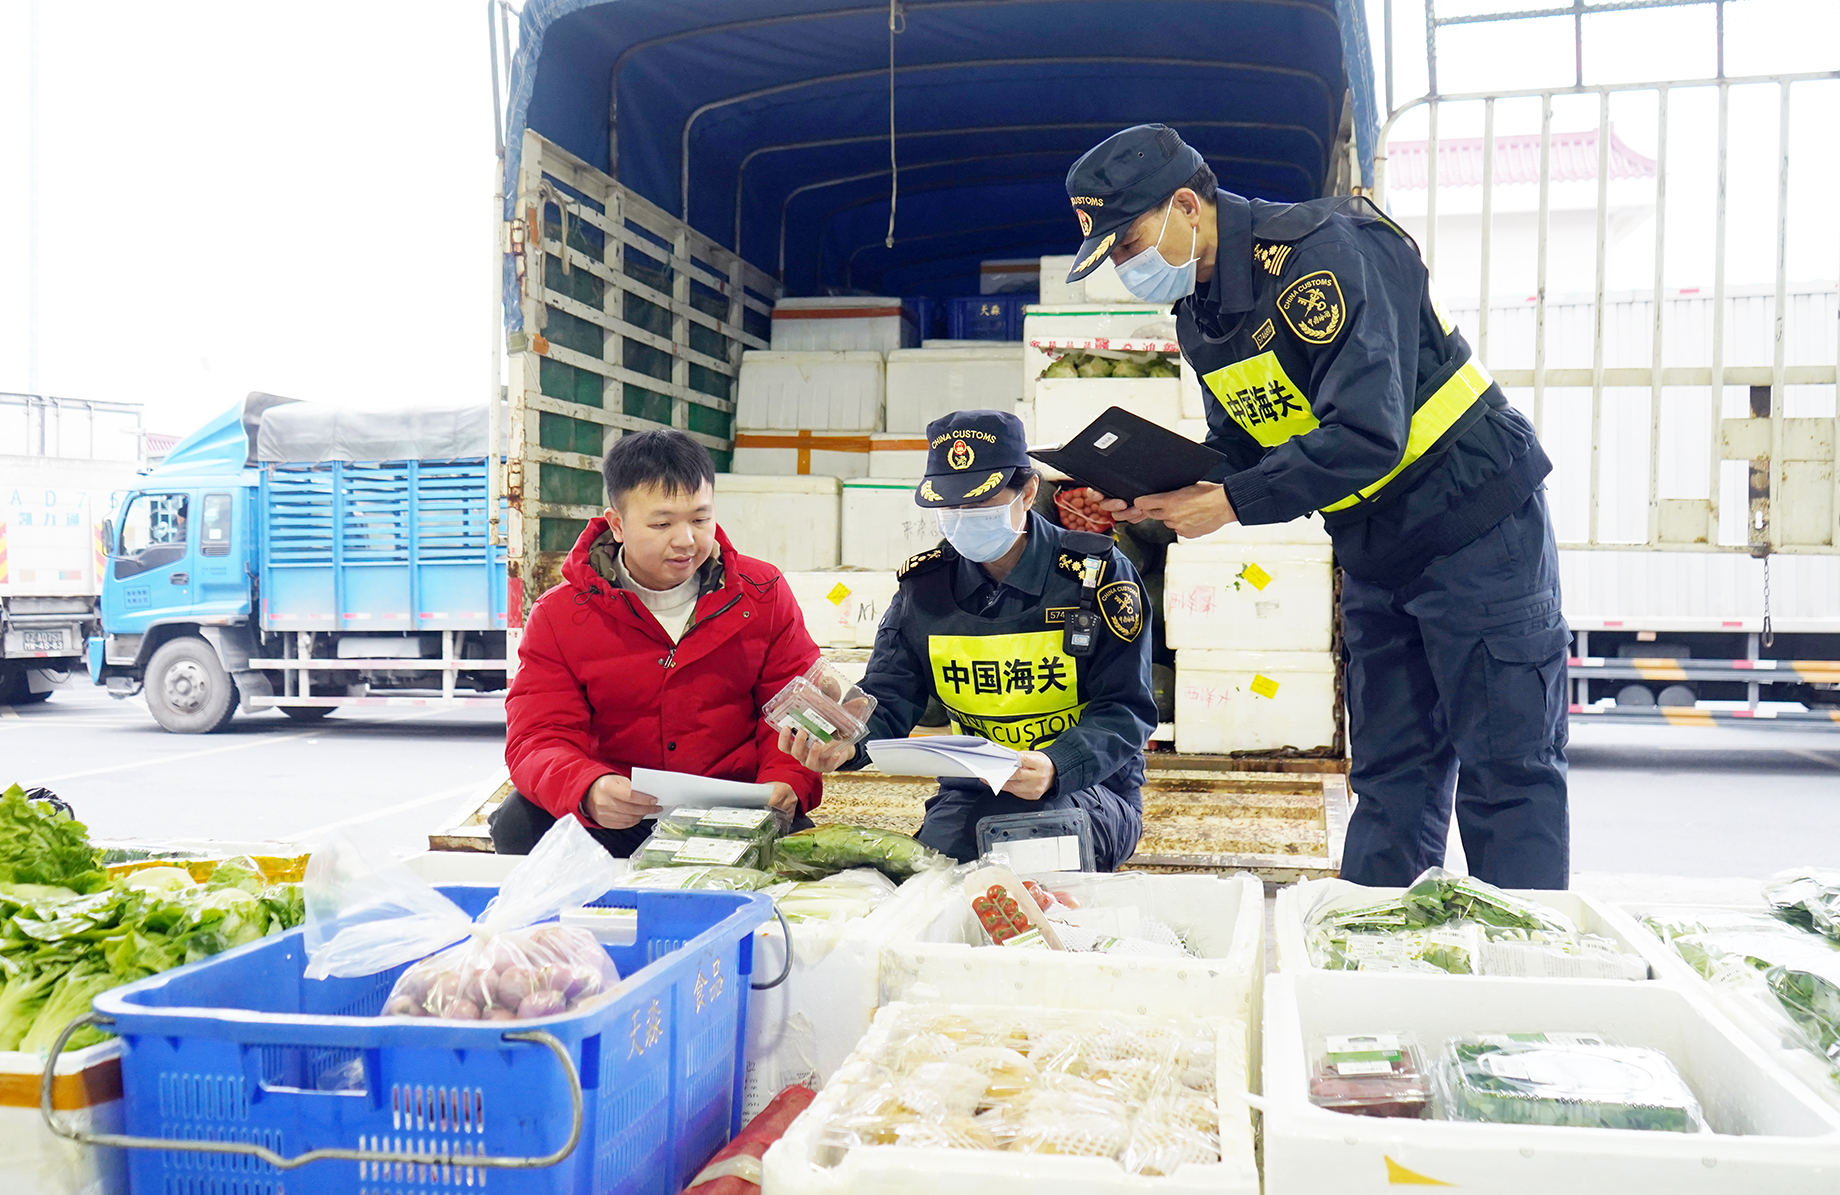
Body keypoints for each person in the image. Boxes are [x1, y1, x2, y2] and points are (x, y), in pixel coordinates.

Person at [1062, 124, 1570, 890]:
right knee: (1391, 777)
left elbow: (1368, 432)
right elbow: (1247, 439)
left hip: (1477, 525)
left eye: (1128, 243)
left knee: (1508, 775)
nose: (1126, 266)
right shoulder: (1202, 315)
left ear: (1186, 205)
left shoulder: (1325, 253)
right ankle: (1376, 973)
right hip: (1376, 548)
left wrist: (1230, 502)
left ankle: (1524, 979)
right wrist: (1153, 493)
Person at [779, 410, 1157, 870]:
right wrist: (847, 742)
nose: (961, 521)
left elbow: (1126, 710)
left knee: (1033, 851)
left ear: (1029, 491)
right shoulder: (926, 586)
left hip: (1088, 788)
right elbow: (889, 696)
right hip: (971, 790)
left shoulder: (1095, 574)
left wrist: (1058, 764)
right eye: (949, 507)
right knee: (927, 875)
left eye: (979, 505)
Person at [494, 429, 822, 856]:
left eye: (701, 519)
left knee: (805, 845)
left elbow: (797, 708)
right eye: (662, 523)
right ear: (617, 524)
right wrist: (588, 788)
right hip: (621, 815)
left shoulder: (762, 592)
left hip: (738, 809)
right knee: (518, 821)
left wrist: (787, 781)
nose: (686, 539)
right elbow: (539, 735)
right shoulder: (560, 616)